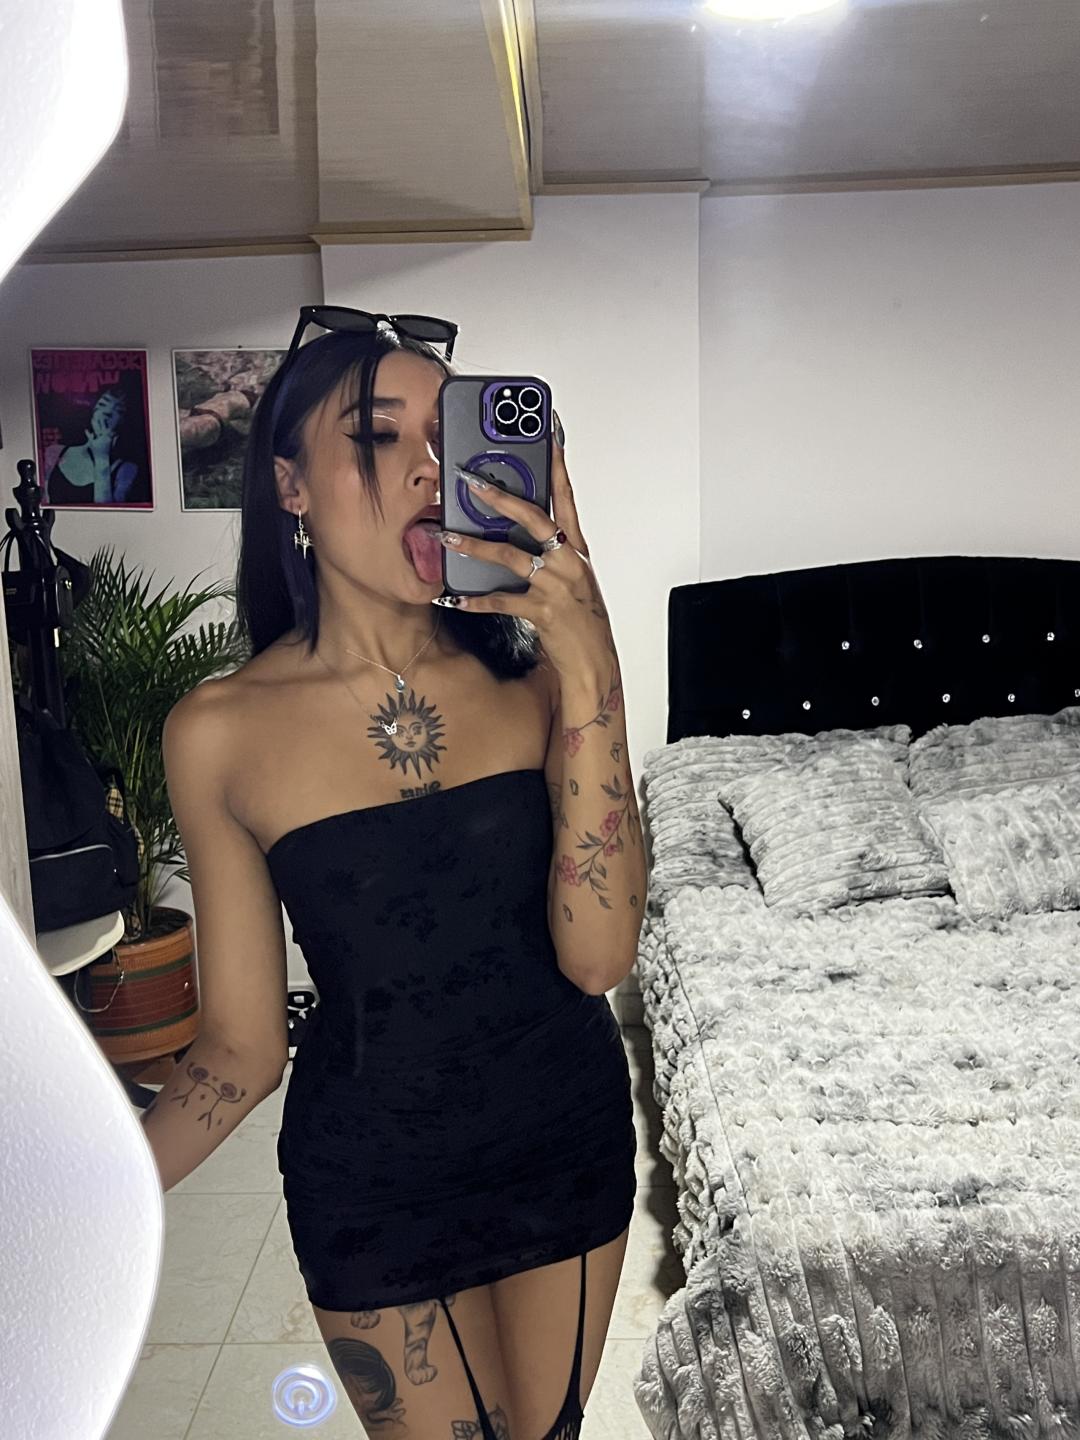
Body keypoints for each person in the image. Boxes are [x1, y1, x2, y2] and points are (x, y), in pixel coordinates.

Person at [161, 308, 647, 1439]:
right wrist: (95, 1195)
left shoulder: (536, 680)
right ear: (289, 485)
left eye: (447, 434)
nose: (430, 468)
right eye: (380, 435)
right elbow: (241, 1044)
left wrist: (591, 659)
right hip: (372, 1180)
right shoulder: (218, 732)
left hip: (562, 1139)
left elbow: (599, 957)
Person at [43, 387, 139, 505]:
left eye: (118, 410)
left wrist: (102, 458)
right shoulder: (55, 452)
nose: (107, 412)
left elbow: (108, 513)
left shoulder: (126, 469)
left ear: (123, 421)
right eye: (102, 404)